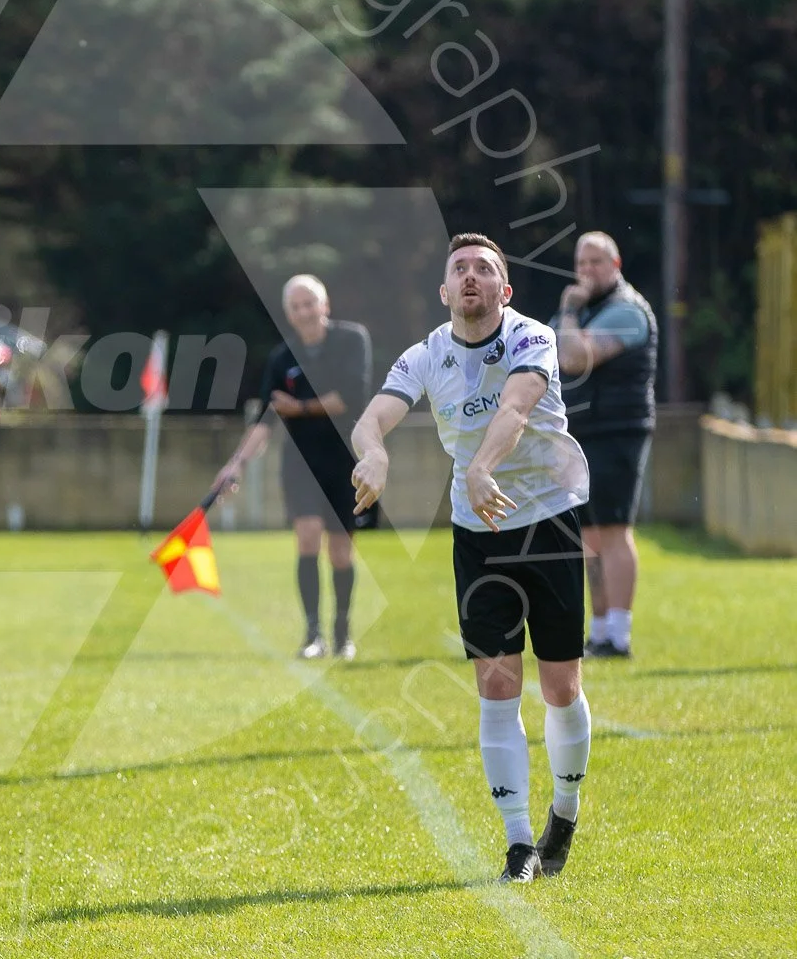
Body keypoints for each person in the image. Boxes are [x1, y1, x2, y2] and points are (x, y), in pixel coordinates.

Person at [350, 234, 593, 883]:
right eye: (459, 268)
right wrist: (374, 452)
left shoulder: (532, 337)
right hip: (478, 535)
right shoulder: (426, 354)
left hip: (548, 520)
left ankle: (564, 812)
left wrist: (482, 466)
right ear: (444, 291)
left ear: (504, 290)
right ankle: (519, 843)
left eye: (484, 269)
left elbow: (515, 408)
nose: (470, 277)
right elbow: (370, 419)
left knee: (561, 685)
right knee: (496, 683)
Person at [216, 275, 373, 660]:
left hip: (345, 461)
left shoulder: (352, 340)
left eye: (309, 303)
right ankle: (313, 635)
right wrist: (235, 465)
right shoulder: (281, 358)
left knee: (341, 551)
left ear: (325, 305)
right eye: (296, 307)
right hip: (300, 464)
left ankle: (342, 634)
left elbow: (350, 398)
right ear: (288, 314)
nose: (304, 312)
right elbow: (266, 421)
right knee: (307, 538)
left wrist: (299, 407)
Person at [551, 231, 658, 659]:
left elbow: (573, 358)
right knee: (589, 535)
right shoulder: (586, 310)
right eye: (580, 263)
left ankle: (619, 635)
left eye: (596, 262)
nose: (586, 271)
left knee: (613, 530)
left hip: (618, 431)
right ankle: (598, 633)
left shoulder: (627, 311)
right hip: (584, 433)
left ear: (616, 265)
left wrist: (567, 310)